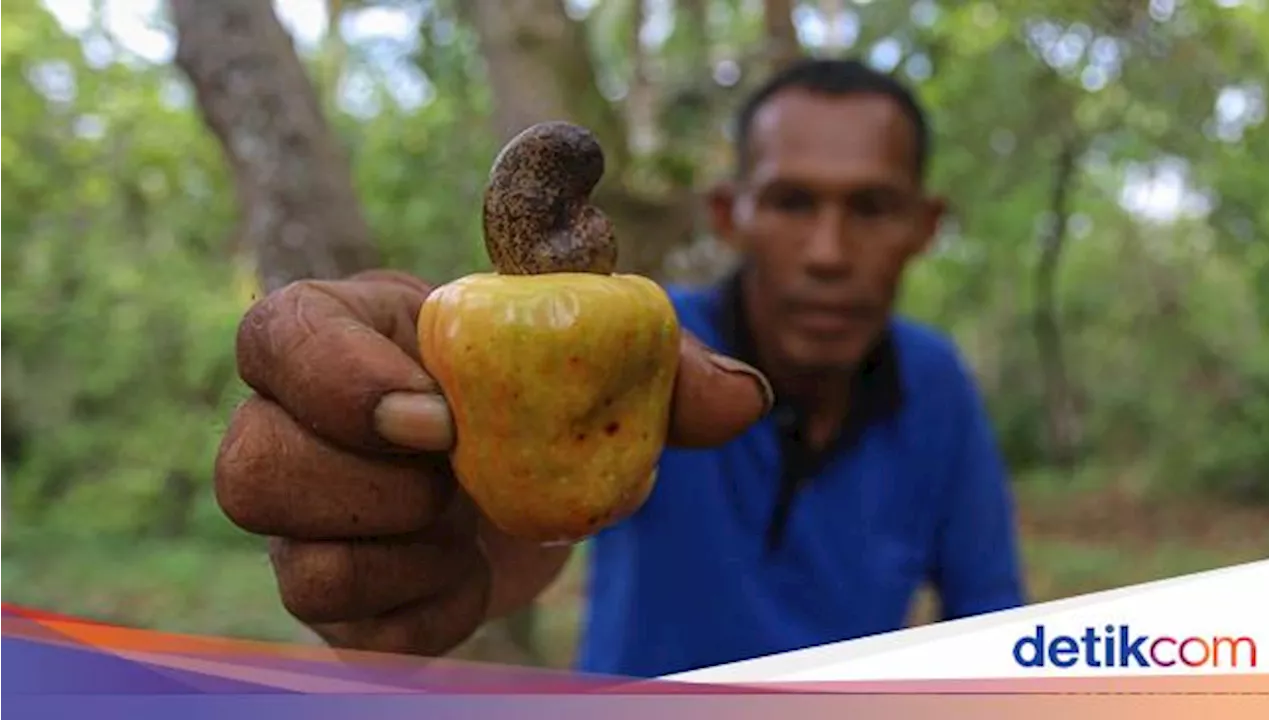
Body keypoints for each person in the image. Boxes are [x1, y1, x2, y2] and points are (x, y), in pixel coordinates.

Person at [212, 57, 1026, 679]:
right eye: (791, 202)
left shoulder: (937, 386)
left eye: (872, 208)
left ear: (926, 226)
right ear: (728, 214)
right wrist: (439, 488)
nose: (826, 254)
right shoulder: (644, 343)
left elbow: (993, 626)